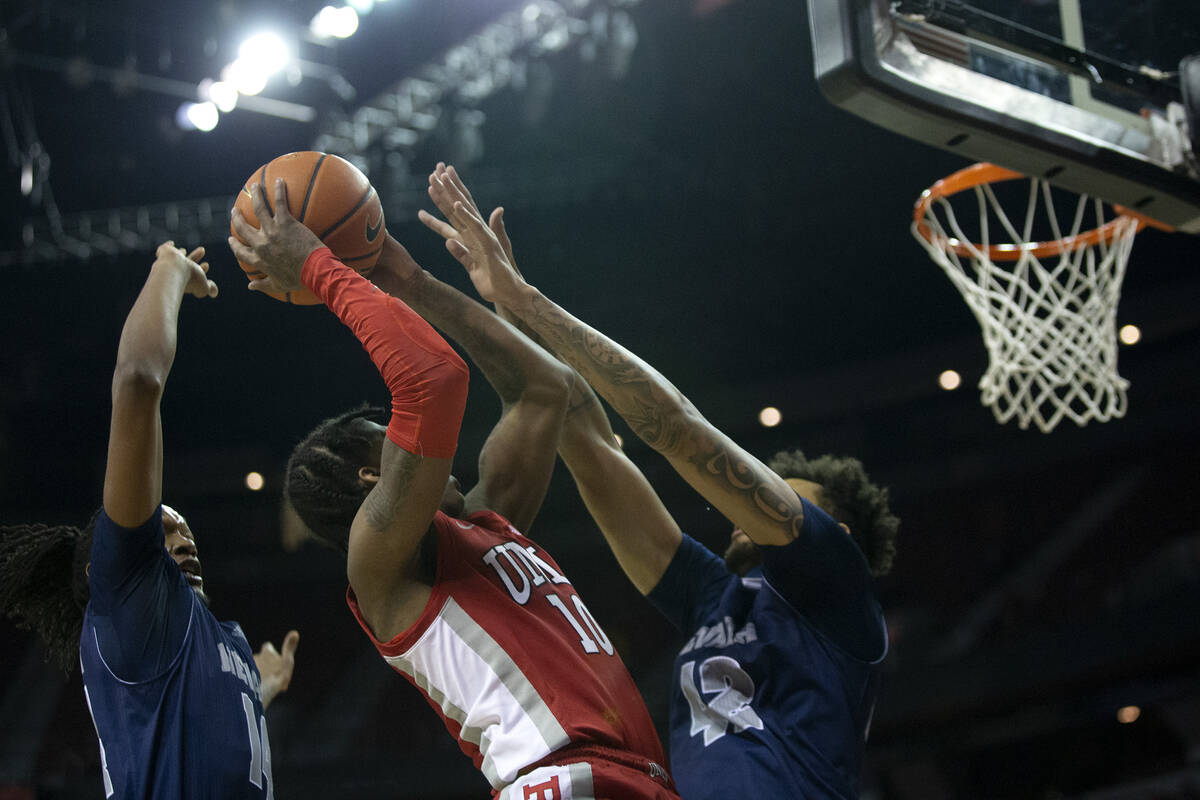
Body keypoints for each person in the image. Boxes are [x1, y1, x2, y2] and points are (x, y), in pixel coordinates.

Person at [418, 164, 900, 800]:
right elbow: (587, 439)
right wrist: (512, 305)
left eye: (788, 496)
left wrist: (531, 301)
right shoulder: (712, 596)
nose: (739, 515)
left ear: (832, 532)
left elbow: (672, 427)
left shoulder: (835, 592)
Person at [228, 180, 679, 800]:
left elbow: (543, 389)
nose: (412, 439)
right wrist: (317, 264)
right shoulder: (380, 562)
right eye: (391, 434)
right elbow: (433, 380)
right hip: (554, 781)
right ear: (371, 477)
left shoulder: (485, 523)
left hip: (632, 778)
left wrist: (408, 278)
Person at [0, 242, 300, 799]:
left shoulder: (221, 638)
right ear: (104, 567)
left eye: (186, 530)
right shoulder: (128, 606)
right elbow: (138, 381)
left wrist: (261, 688)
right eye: (165, 532)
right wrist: (170, 267)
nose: (184, 540)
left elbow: (202, 727)